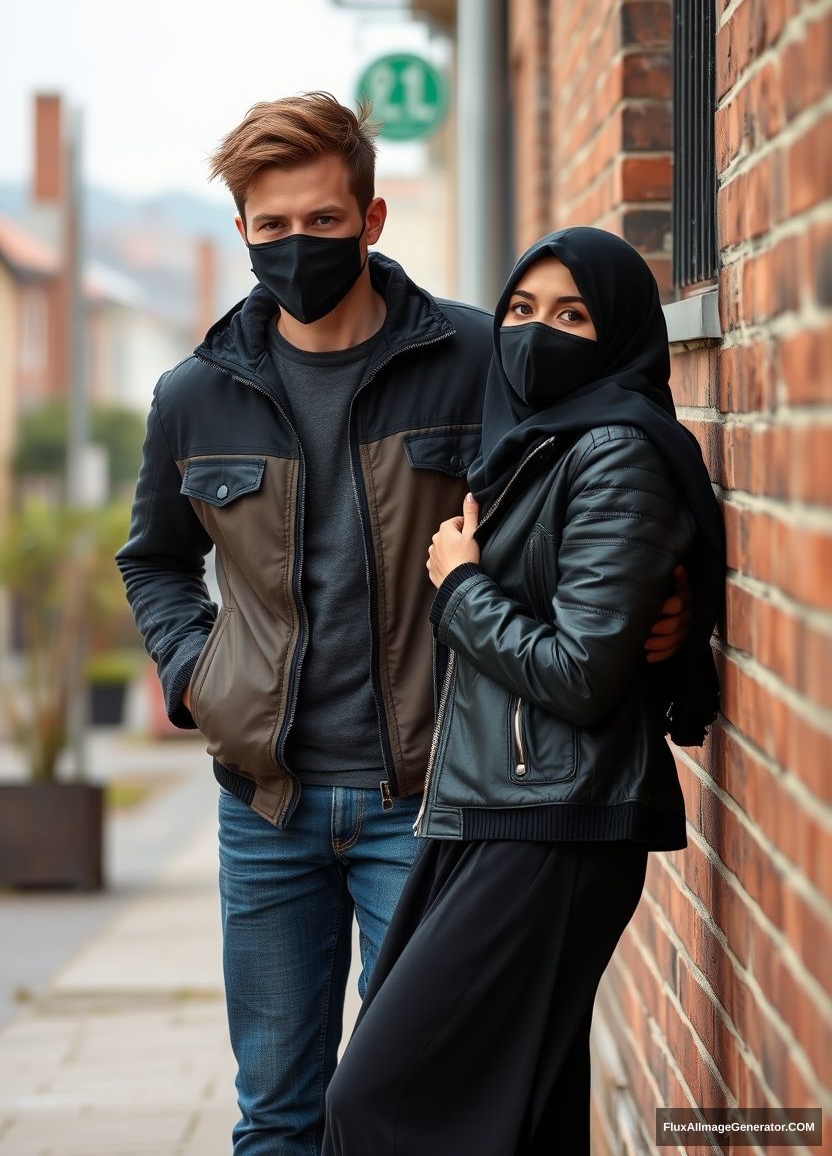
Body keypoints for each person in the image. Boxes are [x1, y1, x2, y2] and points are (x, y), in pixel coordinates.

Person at [116, 96, 691, 1156]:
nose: (298, 247)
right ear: (240, 229)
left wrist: (667, 613)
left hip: (431, 802)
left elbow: (587, 494)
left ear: (372, 219)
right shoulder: (193, 393)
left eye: (323, 223)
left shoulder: (483, 355)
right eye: (272, 226)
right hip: (267, 805)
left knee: (426, 1106)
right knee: (279, 1112)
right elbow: (154, 556)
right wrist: (197, 672)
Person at [322, 226, 726, 1156]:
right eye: (522, 309)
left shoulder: (615, 453)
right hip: (502, 812)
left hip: (554, 821)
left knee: (374, 1101)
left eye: (573, 315)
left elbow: (580, 675)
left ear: (619, 332)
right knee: (522, 1116)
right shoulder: (544, 448)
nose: (537, 332)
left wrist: (461, 586)